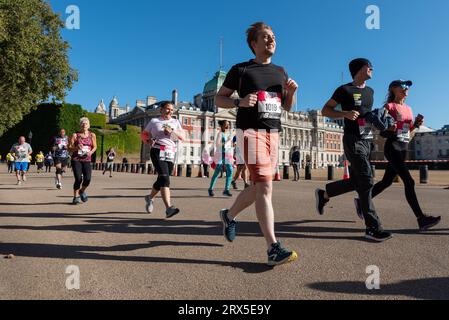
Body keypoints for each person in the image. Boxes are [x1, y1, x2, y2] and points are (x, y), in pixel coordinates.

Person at [215, 22, 299, 266]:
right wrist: (239, 102)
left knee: (263, 184)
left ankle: (229, 215)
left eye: (273, 36)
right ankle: (273, 247)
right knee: (265, 187)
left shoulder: (281, 72)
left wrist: (291, 92)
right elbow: (221, 98)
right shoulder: (241, 70)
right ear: (254, 43)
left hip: (274, 133)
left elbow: (286, 107)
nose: (271, 40)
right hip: (249, 131)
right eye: (265, 37)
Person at [314, 58, 393, 242]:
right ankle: (373, 227)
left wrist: (379, 119)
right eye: (368, 66)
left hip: (367, 140)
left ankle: (324, 194)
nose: (372, 68)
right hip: (352, 140)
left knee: (360, 180)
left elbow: (367, 115)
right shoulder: (344, 90)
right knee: (366, 179)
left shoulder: (370, 92)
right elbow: (326, 110)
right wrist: (345, 114)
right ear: (359, 69)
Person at [353, 80, 441, 231]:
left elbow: (407, 131)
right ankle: (421, 219)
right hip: (392, 147)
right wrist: (390, 128)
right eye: (403, 86)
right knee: (409, 182)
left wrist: (417, 124)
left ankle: (362, 202)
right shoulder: (389, 107)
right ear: (393, 89)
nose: (406, 89)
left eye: (408, 87)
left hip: (403, 147)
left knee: (387, 181)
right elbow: (382, 130)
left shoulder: (408, 108)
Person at [141, 101, 185, 218]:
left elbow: (182, 138)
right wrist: (148, 141)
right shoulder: (154, 121)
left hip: (170, 152)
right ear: (161, 109)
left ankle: (150, 198)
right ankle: (169, 208)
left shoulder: (175, 122)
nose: (170, 111)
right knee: (165, 178)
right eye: (167, 108)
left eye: (172, 109)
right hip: (157, 150)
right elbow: (144, 135)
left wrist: (172, 132)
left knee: (162, 179)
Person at [68, 117, 97, 205]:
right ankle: (75, 197)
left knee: (88, 179)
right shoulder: (75, 135)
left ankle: (81, 191)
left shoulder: (92, 135)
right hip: (76, 159)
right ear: (80, 125)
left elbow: (95, 146)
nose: (84, 125)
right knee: (78, 179)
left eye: (86, 123)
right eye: (82, 123)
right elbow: (69, 148)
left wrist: (91, 152)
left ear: (89, 125)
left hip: (87, 159)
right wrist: (76, 147)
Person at [208, 120, 234, 197]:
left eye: (229, 125)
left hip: (228, 154)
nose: (228, 126)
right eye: (226, 125)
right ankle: (210, 189)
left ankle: (226, 189)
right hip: (220, 154)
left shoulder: (229, 134)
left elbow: (230, 145)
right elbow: (217, 144)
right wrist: (227, 141)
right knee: (217, 172)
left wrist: (233, 145)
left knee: (230, 170)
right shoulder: (220, 134)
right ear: (222, 126)